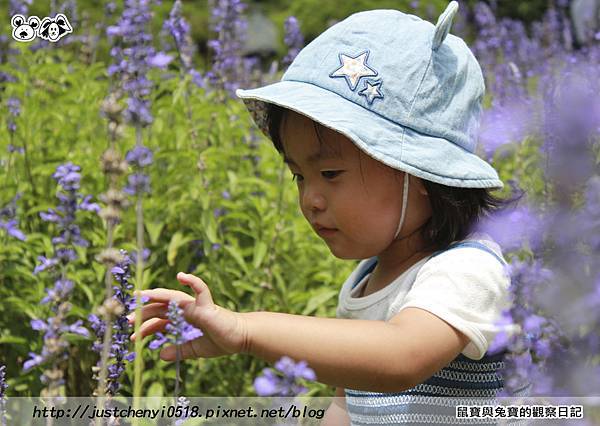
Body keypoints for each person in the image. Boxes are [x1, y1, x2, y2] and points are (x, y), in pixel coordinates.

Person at [130, 2, 531, 424]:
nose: (310, 200)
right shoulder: (366, 281)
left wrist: (245, 331)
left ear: (423, 174)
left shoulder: (468, 270)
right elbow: (350, 399)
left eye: (330, 173)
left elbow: (401, 356)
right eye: (299, 177)